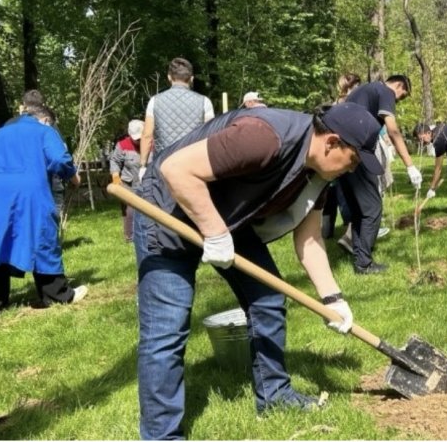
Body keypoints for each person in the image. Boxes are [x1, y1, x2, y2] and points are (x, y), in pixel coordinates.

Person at [133, 103, 382, 439]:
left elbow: (308, 239)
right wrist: (216, 233)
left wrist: (333, 298)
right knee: (167, 330)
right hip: (167, 209)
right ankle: (162, 434)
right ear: (332, 142)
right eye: (353, 159)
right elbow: (176, 170)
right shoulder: (265, 137)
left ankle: (275, 396)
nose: (352, 170)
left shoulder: (317, 174)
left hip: (223, 217)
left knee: (268, 301)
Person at [0, 94, 86, 316]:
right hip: (30, 192)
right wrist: (71, 175)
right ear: (46, 120)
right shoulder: (44, 131)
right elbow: (59, 159)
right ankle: (57, 295)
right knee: (41, 238)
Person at [339, 75, 422, 274]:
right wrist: (410, 166)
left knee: (359, 209)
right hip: (357, 152)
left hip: (339, 153)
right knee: (372, 208)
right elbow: (392, 131)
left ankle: (360, 257)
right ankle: (364, 264)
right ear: (399, 85)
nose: (400, 100)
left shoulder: (362, 91)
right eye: (403, 95)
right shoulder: (384, 91)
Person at [138, 57, 214, 176]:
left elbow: (147, 135)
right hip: (193, 167)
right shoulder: (205, 102)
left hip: (162, 166)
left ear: (169, 77)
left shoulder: (155, 101)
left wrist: (143, 166)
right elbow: (210, 136)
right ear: (192, 78)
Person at [110, 119, 144, 242]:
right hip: (128, 183)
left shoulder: (153, 144)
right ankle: (130, 237)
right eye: (136, 139)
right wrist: (115, 175)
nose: (138, 141)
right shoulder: (122, 145)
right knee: (130, 211)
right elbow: (115, 161)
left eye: (141, 138)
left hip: (147, 182)